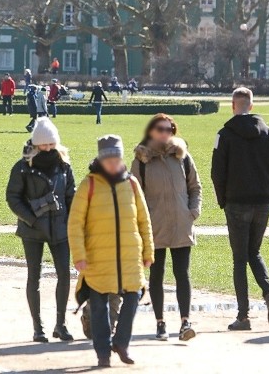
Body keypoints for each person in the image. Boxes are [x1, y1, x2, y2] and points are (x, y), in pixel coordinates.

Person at [69, 135, 154, 368]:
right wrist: (79, 255)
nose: (113, 163)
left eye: (117, 158)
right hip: (98, 258)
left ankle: (121, 342)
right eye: (109, 159)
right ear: (101, 159)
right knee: (98, 306)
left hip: (130, 256)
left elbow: (143, 220)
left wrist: (148, 251)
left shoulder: (132, 184)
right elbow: (75, 222)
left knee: (134, 296)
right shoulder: (90, 184)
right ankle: (103, 352)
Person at [211, 87, 269, 331]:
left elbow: (217, 173)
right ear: (251, 106)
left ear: (233, 105)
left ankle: (243, 316)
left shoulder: (225, 134)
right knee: (255, 252)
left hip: (236, 202)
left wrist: (223, 200)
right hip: (263, 201)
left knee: (239, 259)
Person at [131, 114, 202, 342]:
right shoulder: (141, 161)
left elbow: (195, 187)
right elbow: (133, 195)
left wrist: (193, 212)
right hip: (154, 227)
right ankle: (160, 322)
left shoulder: (183, 157)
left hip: (181, 224)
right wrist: (143, 223)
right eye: (161, 129)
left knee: (182, 274)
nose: (165, 133)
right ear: (152, 131)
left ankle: (185, 322)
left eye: (169, 128)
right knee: (157, 275)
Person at [6, 118, 76, 343]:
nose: (48, 148)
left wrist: (71, 222)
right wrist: (31, 219)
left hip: (60, 228)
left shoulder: (64, 165)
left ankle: (61, 324)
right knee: (33, 276)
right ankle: (38, 327)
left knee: (64, 274)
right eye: (44, 144)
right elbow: (13, 197)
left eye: (51, 144)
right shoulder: (23, 167)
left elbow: (71, 196)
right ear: (36, 144)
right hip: (33, 229)